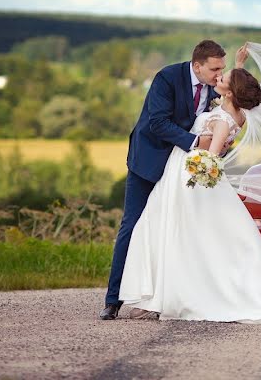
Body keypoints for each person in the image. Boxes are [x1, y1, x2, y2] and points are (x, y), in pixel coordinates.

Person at [116, 59, 261, 324]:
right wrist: (239, 66)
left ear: (229, 92)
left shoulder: (224, 119)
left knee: (168, 231)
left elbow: (212, 157)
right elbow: (228, 102)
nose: (219, 77)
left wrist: (195, 170)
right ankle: (157, 295)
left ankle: (166, 295)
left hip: (188, 174)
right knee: (171, 231)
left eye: (224, 77)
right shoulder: (236, 113)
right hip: (184, 170)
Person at [99, 40, 227, 320]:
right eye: (215, 69)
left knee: (179, 229)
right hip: (150, 161)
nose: (219, 75)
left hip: (183, 170)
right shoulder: (167, 78)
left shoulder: (214, 87)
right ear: (197, 65)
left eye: (223, 69)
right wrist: (196, 142)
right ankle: (113, 300)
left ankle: (167, 297)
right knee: (132, 226)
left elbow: (231, 96)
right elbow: (157, 122)